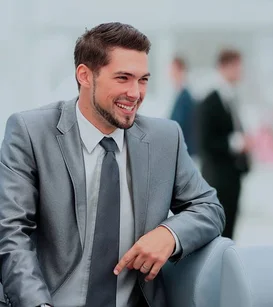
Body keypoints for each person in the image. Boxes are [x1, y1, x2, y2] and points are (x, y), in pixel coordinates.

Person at [0, 22, 225, 307]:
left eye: (143, 80)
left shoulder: (165, 139)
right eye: (123, 78)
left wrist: (169, 234)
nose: (135, 93)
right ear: (85, 75)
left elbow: (209, 207)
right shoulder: (30, 133)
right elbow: (10, 232)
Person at [196, 49, 250, 239]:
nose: (240, 71)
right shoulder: (210, 101)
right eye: (237, 67)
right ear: (224, 67)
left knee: (231, 227)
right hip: (217, 177)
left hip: (233, 174)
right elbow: (205, 141)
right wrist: (236, 144)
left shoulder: (233, 98)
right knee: (218, 228)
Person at [169, 56, 197, 157]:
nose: (171, 74)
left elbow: (179, 124)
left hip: (185, 152)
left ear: (181, 71)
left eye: (173, 70)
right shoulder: (177, 95)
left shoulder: (186, 97)